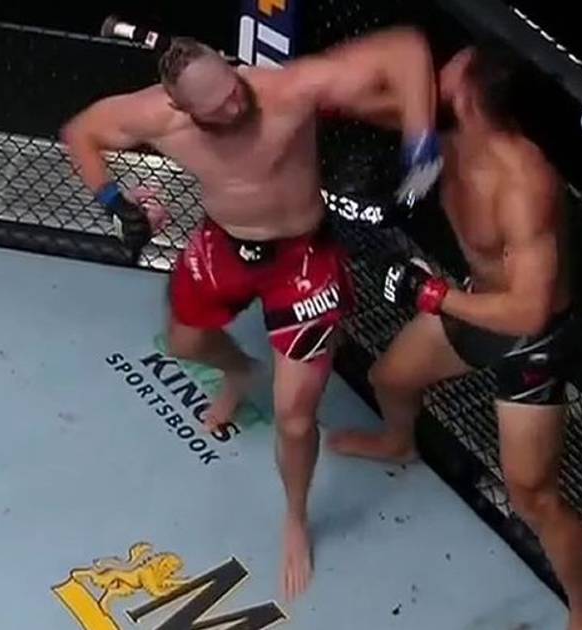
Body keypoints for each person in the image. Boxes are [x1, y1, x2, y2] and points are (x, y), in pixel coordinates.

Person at [60, 27, 440, 601]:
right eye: (218, 107)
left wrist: (421, 141)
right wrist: (118, 205)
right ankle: (240, 371)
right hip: (226, 243)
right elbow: (80, 133)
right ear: (182, 109)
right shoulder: (155, 117)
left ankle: (296, 518)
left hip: (303, 259)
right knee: (185, 343)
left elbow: (405, 49)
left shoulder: (287, 90)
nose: (238, 105)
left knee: (294, 418)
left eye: (234, 88)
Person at [325, 41, 582, 630]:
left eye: (447, 80)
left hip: (531, 339)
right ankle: (399, 443)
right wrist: (285, 89)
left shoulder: (524, 183)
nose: (432, 83)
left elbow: (528, 311)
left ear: (472, 102)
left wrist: (431, 295)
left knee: (532, 497)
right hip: (475, 301)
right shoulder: (442, 132)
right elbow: (359, 98)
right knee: (390, 379)